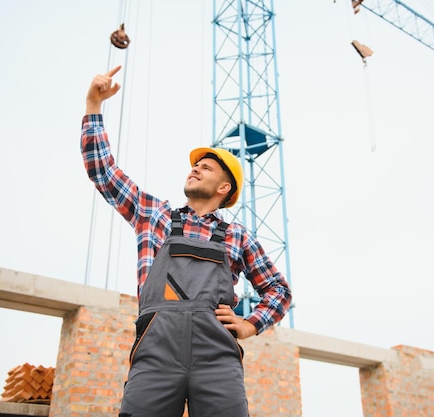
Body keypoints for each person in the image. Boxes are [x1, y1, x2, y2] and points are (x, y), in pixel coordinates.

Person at [81, 65, 292, 417]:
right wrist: (93, 105)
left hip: (217, 360)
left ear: (224, 188)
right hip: (155, 355)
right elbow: (102, 170)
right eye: (195, 166)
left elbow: (278, 290)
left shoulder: (237, 236)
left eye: (207, 169)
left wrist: (250, 324)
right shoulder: (154, 215)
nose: (195, 169)